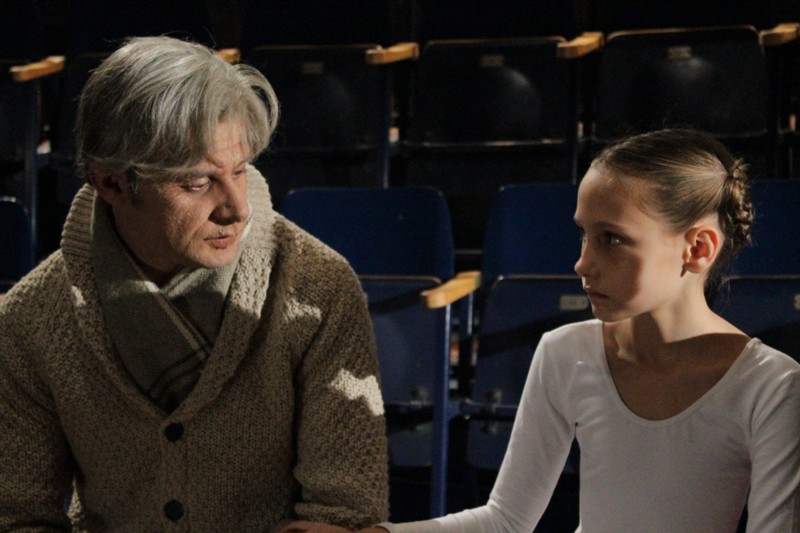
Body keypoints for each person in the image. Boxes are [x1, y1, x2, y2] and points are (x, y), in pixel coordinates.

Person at [280, 128, 800, 533]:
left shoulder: (772, 386)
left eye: (612, 239)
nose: (582, 264)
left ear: (698, 248)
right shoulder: (566, 351)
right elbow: (506, 519)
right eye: (583, 235)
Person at [0, 36, 389, 531]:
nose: (236, 208)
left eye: (239, 170)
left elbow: (345, 516)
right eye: (197, 182)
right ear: (112, 183)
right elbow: (18, 517)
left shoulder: (317, 289)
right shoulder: (31, 319)